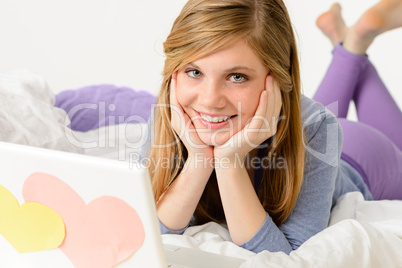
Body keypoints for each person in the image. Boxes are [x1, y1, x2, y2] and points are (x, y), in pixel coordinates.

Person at [141, 0, 402, 254]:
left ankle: (355, 41)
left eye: (236, 77)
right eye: (194, 72)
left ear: (276, 80)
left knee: (317, 120)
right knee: (315, 115)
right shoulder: (173, 110)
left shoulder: (318, 127)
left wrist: (228, 161)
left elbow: (289, 257)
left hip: (367, 159)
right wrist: (199, 157)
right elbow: (145, 233)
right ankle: (349, 44)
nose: (209, 100)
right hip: (315, 126)